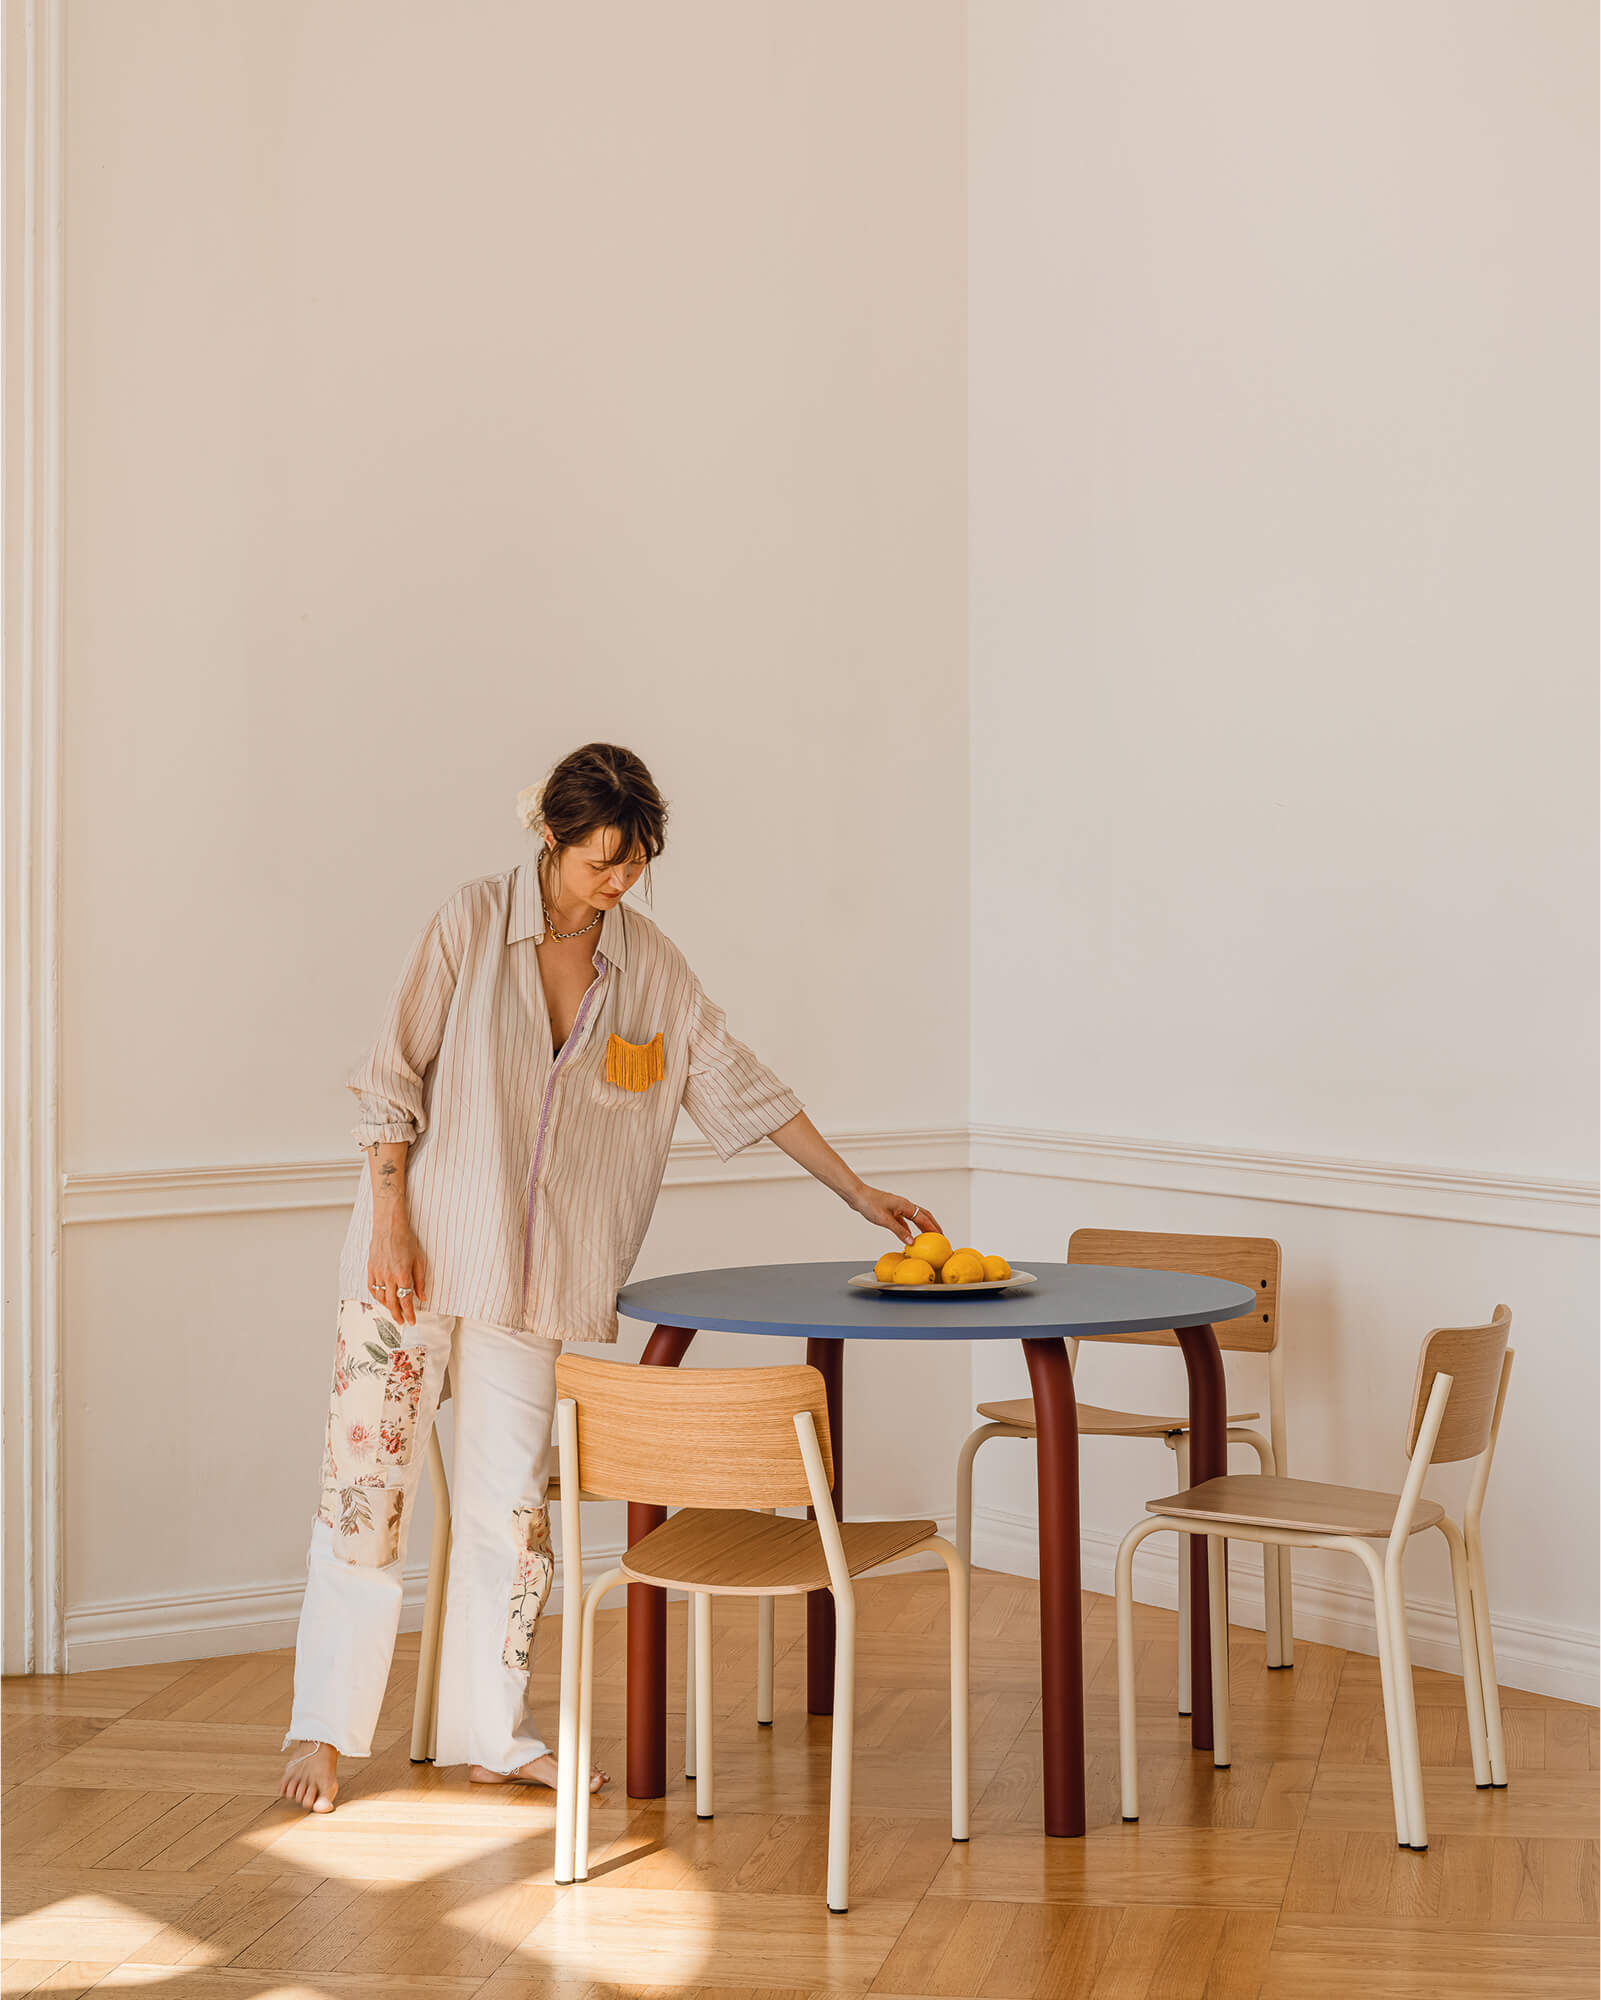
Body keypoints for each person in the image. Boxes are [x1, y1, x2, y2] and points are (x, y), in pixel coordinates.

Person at [279, 742, 944, 1811]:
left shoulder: (650, 967)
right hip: (412, 1260)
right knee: (366, 1491)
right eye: (602, 861)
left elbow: (740, 1080)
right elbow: (391, 1073)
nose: (619, 881)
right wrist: (389, 1219)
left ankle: (493, 1735)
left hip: (533, 1284)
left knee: (511, 1513)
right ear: (550, 837)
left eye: (635, 863)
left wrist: (855, 1191)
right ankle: (321, 1727)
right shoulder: (468, 923)